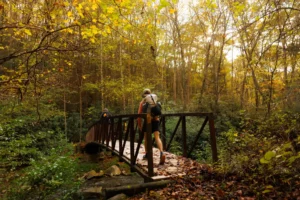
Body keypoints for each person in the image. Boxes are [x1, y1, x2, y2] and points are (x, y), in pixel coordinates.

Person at [138, 88, 165, 165]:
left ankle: (147, 154)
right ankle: (161, 152)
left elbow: (139, 115)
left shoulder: (143, 103)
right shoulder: (155, 101)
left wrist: (139, 125)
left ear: (143, 95)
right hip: (156, 121)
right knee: (157, 137)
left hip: (147, 122)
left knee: (146, 139)